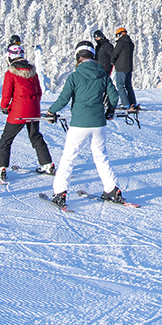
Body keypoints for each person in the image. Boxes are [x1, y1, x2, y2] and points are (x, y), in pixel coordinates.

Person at [45, 44, 125, 208]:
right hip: (98, 124)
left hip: (79, 124)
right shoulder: (102, 74)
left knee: (68, 158)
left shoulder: (74, 76)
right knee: (101, 157)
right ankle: (112, 189)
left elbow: (63, 99)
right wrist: (110, 111)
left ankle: (60, 192)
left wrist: (51, 112)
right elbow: (114, 96)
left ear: (78, 57)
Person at [0, 42, 55, 183]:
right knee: (35, 137)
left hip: (18, 112)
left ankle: (2, 167)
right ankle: (47, 164)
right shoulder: (32, 71)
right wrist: (33, 106)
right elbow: (39, 92)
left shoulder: (10, 73)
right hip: (33, 110)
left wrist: (5, 107)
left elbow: (6, 94)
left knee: (6, 140)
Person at [111, 26, 138, 112]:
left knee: (120, 85)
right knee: (128, 85)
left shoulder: (120, 42)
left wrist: (112, 61)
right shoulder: (130, 43)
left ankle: (126, 104)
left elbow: (115, 53)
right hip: (129, 67)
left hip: (121, 67)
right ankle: (133, 102)